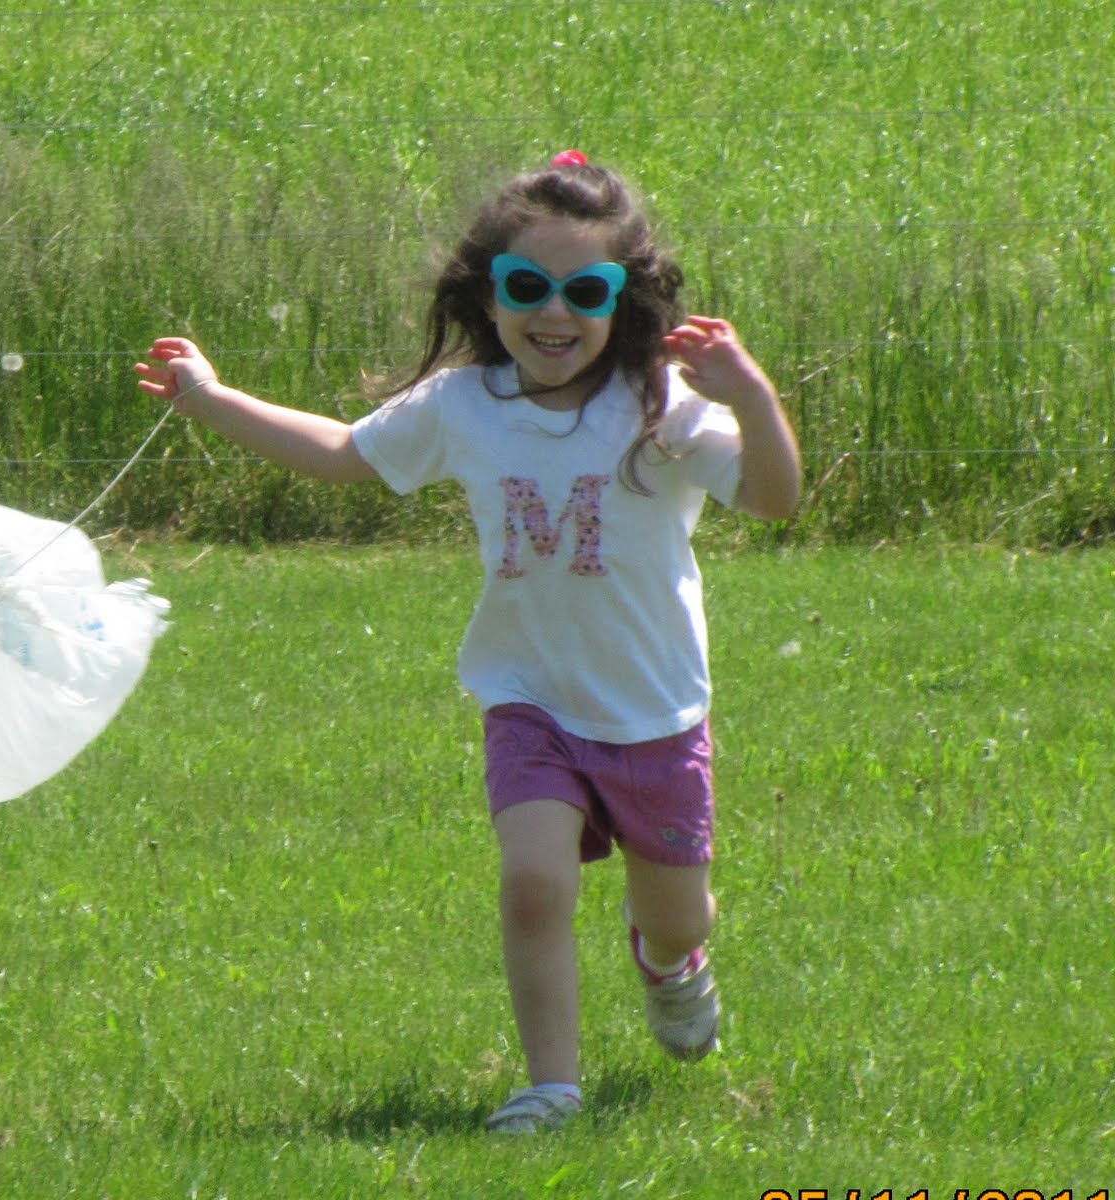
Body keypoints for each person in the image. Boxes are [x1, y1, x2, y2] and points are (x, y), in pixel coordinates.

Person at [134, 151, 802, 1134]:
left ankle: (668, 963)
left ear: (622, 300)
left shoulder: (663, 406)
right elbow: (342, 453)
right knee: (533, 882)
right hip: (527, 700)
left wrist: (749, 395)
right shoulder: (463, 405)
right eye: (527, 287)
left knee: (677, 915)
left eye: (585, 291)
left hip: (653, 711)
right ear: (488, 295)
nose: (554, 313)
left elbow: (776, 499)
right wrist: (207, 396)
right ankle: (550, 1087)